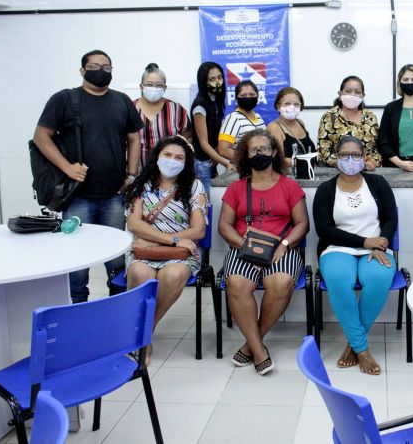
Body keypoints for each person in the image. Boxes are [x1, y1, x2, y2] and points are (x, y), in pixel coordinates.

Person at [33, 49, 143, 303]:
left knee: (116, 258)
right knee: (77, 260)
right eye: (95, 66)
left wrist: (131, 173)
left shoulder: (122, 101)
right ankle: (78, 309)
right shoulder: (65, 99)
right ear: (82, 71)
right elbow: (41, 136)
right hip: (77, 196)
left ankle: (116, 308)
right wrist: (67, 167)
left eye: (107, 66)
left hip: (115, 194)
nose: (101, 71)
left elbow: (134, 137)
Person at [218, 129, 309, 375]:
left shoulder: (290, 186)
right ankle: (259, 350)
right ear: (245, 155)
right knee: (236, 283)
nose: (260, 153)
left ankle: (249, 345)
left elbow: (302, 223)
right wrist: (244, 246)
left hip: (282, 248)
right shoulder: (236, 188)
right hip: (242, 248)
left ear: (275, 152)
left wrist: (285, 245)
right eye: (254, 150)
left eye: (265, 149)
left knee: (281, 282)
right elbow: (224, 225)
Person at [312, 135, 397, 375]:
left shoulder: (378, 183)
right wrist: (363, 241)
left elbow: (391, 219)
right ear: (336, 158)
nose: (350, 160)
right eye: (344, 155)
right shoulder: (326, 190)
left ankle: (353, 345)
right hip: (337, 248)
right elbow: (324, 230)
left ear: (364, 157)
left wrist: (378, 245)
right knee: (339, 279)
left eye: (356, 155)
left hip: (376, 248)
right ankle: (362, 348)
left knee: (379, 277)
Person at [123, 136, 207, 365]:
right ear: (157, 157)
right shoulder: (140, 184)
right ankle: (142, 336)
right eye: (167, 155)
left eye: (179, 157)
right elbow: (134, 224)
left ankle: (143, 334)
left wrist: (169, 242)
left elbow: (198, 230)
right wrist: (171, 240)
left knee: (173, 274)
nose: (172, 161)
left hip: (181, 253)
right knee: (141, 274)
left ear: (186, 162)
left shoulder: (194, 186)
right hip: (146, 250)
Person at [133, 63, 191, 168]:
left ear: (165, 88)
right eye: (149, 84)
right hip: (137, 170)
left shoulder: (176, 109)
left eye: (159, 85)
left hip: (169, 170)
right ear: (141, 87)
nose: (154, 88)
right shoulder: (130, 108)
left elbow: (188, 137)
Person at [317, 75, 382, 169]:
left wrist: (373, 162)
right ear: (340, 94)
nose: (352, 95)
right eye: (348, 91)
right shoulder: (329, 116)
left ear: (363, 96)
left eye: (357, 92)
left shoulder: (370, 117)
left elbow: (377, 148)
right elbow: (323, 152)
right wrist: (347, 163)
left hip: (367, 171)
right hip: (339, 172)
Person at [191, 61, 231, 196]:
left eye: (219, 77)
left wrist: (217, 151)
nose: (217, 82)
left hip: (210, 161)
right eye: (212, 79)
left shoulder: (215, 100)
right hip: (202, 164)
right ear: (203, 82)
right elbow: (203, 143)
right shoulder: (199, 106)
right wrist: (225, 163)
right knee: (205, 205)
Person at [266, 86, 316, 167]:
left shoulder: (300, 122)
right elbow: (278, 159)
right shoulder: (274, 127)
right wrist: (305, 162)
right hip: (288, 175)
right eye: (287, 103)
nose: (292, 107)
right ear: (278, 106)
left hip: (308, 173)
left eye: (296, 104)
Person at [217, 80, 266, 163]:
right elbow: (223, 150)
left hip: (260, 168)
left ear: (257, 97)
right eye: (243, 95)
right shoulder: (233, 118)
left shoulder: (258, 117)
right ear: (236, 98)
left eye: (252, 94)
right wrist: (248, 160)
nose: (248, 97)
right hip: (243, 170)